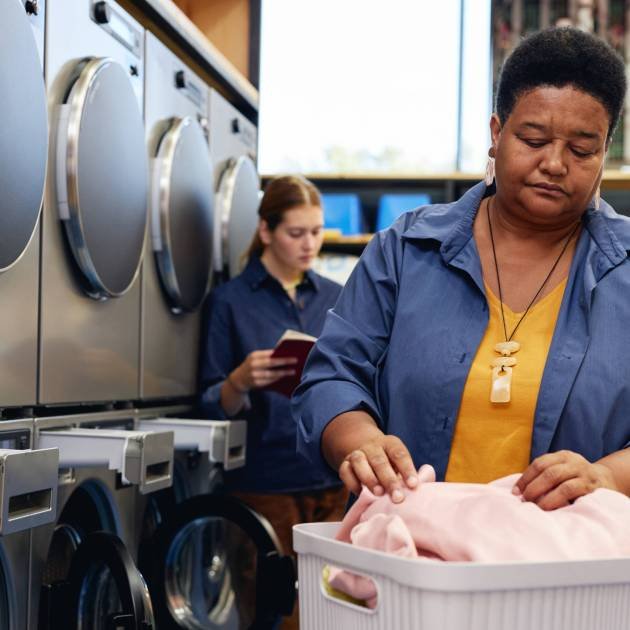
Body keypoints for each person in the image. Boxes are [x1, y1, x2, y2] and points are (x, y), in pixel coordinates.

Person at [292, 27, 630, 512]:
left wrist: (606, 477)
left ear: (604, 153)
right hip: (408, 559)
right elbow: (331, 376)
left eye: (582, 150)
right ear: (497, 134)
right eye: (533, 139)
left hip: (571, 572)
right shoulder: (406, 251)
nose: (555, 164)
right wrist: (358, 438)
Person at [199, 174, 347, 629]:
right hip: (263, 482)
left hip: (329, 479)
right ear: (266, 231)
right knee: (272, 615)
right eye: (296, 233)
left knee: (334, 609)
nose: (309, 245)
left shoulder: (335, 296)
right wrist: (240, 380)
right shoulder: (230, 301)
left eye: (317, 232)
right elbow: (209, 403)